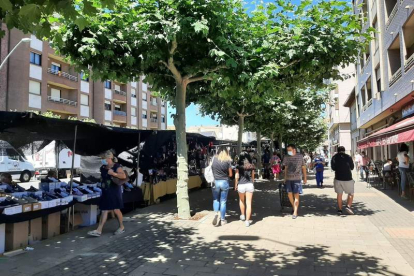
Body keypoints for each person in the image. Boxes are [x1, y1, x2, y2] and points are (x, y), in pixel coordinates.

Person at [88, 150, 127, 237]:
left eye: (103, 158)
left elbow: (123, 176)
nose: (102, 160)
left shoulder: (116, 166)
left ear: (109, 158)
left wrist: (113, 173)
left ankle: (121, 226)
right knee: (104, 210)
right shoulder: (103, 167)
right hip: (105, 191)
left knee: (116, 210)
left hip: (114, 192)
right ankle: (99, 230)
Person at [282, 144, 307, 219]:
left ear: (294, 150)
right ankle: (294, 207)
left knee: (296, 195)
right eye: (287, 150)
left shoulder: (300, 156)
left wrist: (305, 178)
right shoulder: (286, 157)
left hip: (297, 179)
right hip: (289, 179)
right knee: (289, 194)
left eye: (290, 150)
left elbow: (303, 167)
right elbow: (285, 168)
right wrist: (285, 178)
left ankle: (295, 212)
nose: (288, 151)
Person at [211, 147, 233, 226]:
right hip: (224, 182)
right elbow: (230, 174)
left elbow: (211, 169)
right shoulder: (227, 161)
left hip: (215, 182)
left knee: (216, 199)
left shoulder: (214, 159)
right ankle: (223, 220)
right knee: (223, 201)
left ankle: (216, 214)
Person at [331, 146, 355, 215]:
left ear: (338, 151)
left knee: (339, 194)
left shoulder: (334, 157)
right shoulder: (348, 157)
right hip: (348, 178)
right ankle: (348, 206)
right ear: (344, 151)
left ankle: (340, 210)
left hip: (338, 178)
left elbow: (333, 168)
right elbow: (352, 167)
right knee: (351, 193)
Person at [234, 152, 255, 227]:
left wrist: (235, 185)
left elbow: (236, 176)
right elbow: (253, 176)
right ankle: (247, 221)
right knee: (248, 203)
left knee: (241, 200)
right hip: (249, 184)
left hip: (241, 185)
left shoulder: (238, 166)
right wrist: (252, 182)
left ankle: (242, 215)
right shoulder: (251, 165)